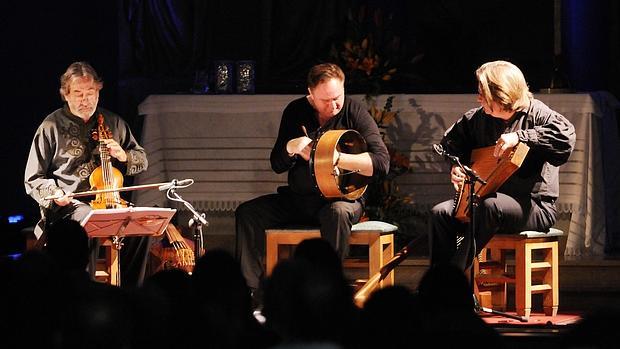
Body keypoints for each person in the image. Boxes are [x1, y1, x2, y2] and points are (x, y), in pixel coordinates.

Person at [235, 63, 390, 294]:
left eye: (337, 97)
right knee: (247, 213)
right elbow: (276, 164)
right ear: (310, 94)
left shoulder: (353, 111)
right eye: (325, 100)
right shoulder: (295, 111)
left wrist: (333, 158)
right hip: (300, 200)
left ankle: (326, 290)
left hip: (341, 200)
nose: (333, 105)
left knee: (337, 213)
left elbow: (381, 163)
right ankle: (249, 293)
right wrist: (291, 147)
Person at [429, 60, 576, 271]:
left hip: (534, 206)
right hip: (487, 200)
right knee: (440, 213)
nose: (478, 98)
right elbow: (450, 145)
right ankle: (436, 284)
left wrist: (520, 136)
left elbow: (565, 138)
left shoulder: (538, 115)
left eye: (483, 93)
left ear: (502, 95)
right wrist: (457, 167)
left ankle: (452, 277)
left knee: (490, 207)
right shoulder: (478, 119)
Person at [24, 61, 150, 287]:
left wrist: (123, 155)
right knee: (89, 221)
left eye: (90, 93)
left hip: (110, 202)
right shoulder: (51, 126)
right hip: (69, 207)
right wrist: (55, 192)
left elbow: (142, 159)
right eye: (78, 94)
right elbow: (33, 177)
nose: (85, 100)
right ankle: (86, 293)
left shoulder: (113, 122)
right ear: (66, 95)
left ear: (98, 92)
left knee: (141, 227)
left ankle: (131, 294)